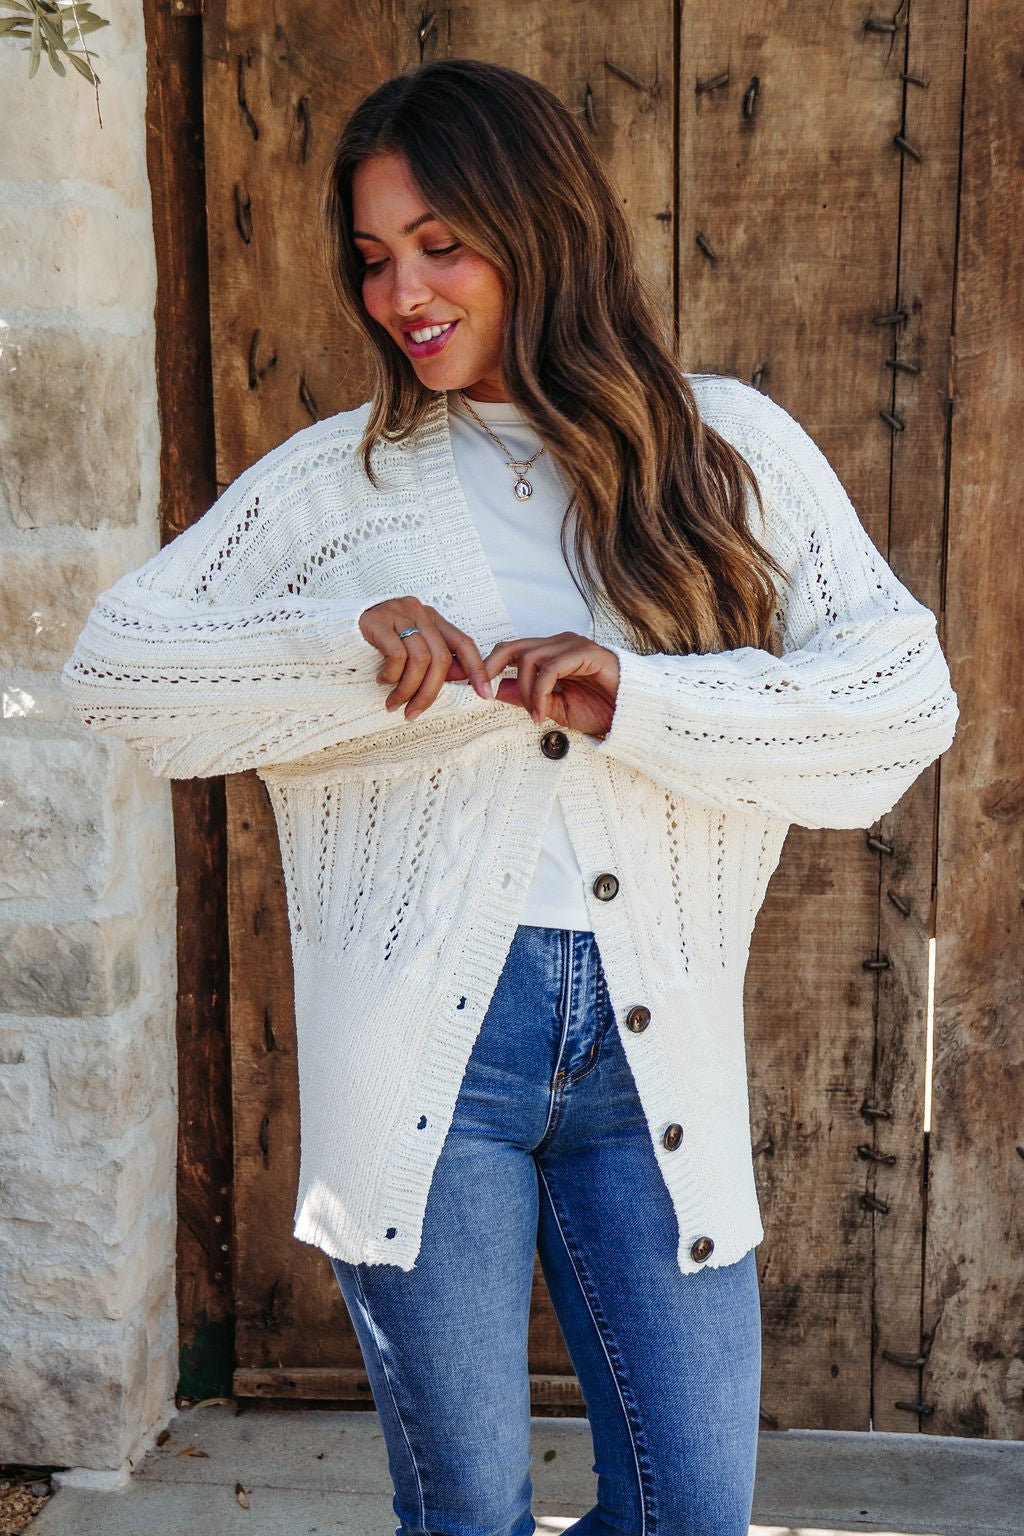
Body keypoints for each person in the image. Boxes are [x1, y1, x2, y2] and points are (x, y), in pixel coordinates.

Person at [62, 56, 958, 1536]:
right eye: (372, 258)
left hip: (647, 1052)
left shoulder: (722, 448)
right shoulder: (335, 488)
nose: (401, 293)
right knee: (467, 1510)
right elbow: (121, 676)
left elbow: (902, 705)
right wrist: (339, 646)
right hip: (435, 1051)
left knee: (691, 1510)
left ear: (540, 230)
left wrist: (641, 697)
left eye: (440, 245)